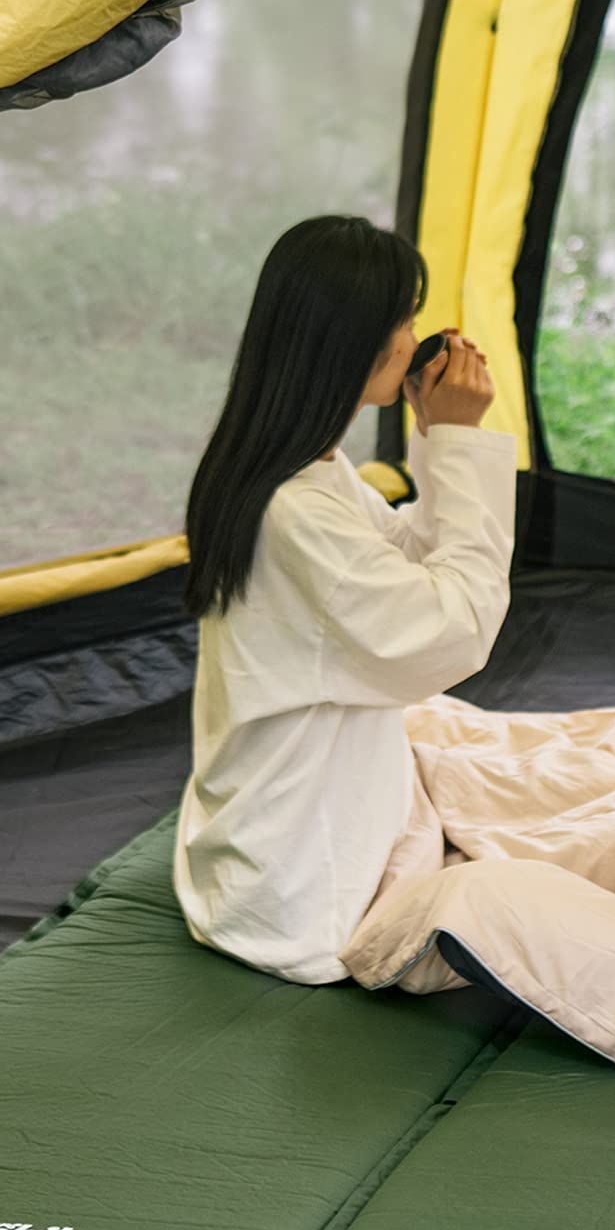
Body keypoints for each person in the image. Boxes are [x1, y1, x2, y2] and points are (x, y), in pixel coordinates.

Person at [174, 215, 515, 983]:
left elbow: (410, 566)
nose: (416, 339)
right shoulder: (295, 509)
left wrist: (437, 435)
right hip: (305, 889)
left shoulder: (293, 470)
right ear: (352, 342)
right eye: (404, 321)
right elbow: (453, 632)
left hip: (294, 833)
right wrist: (458, 444)